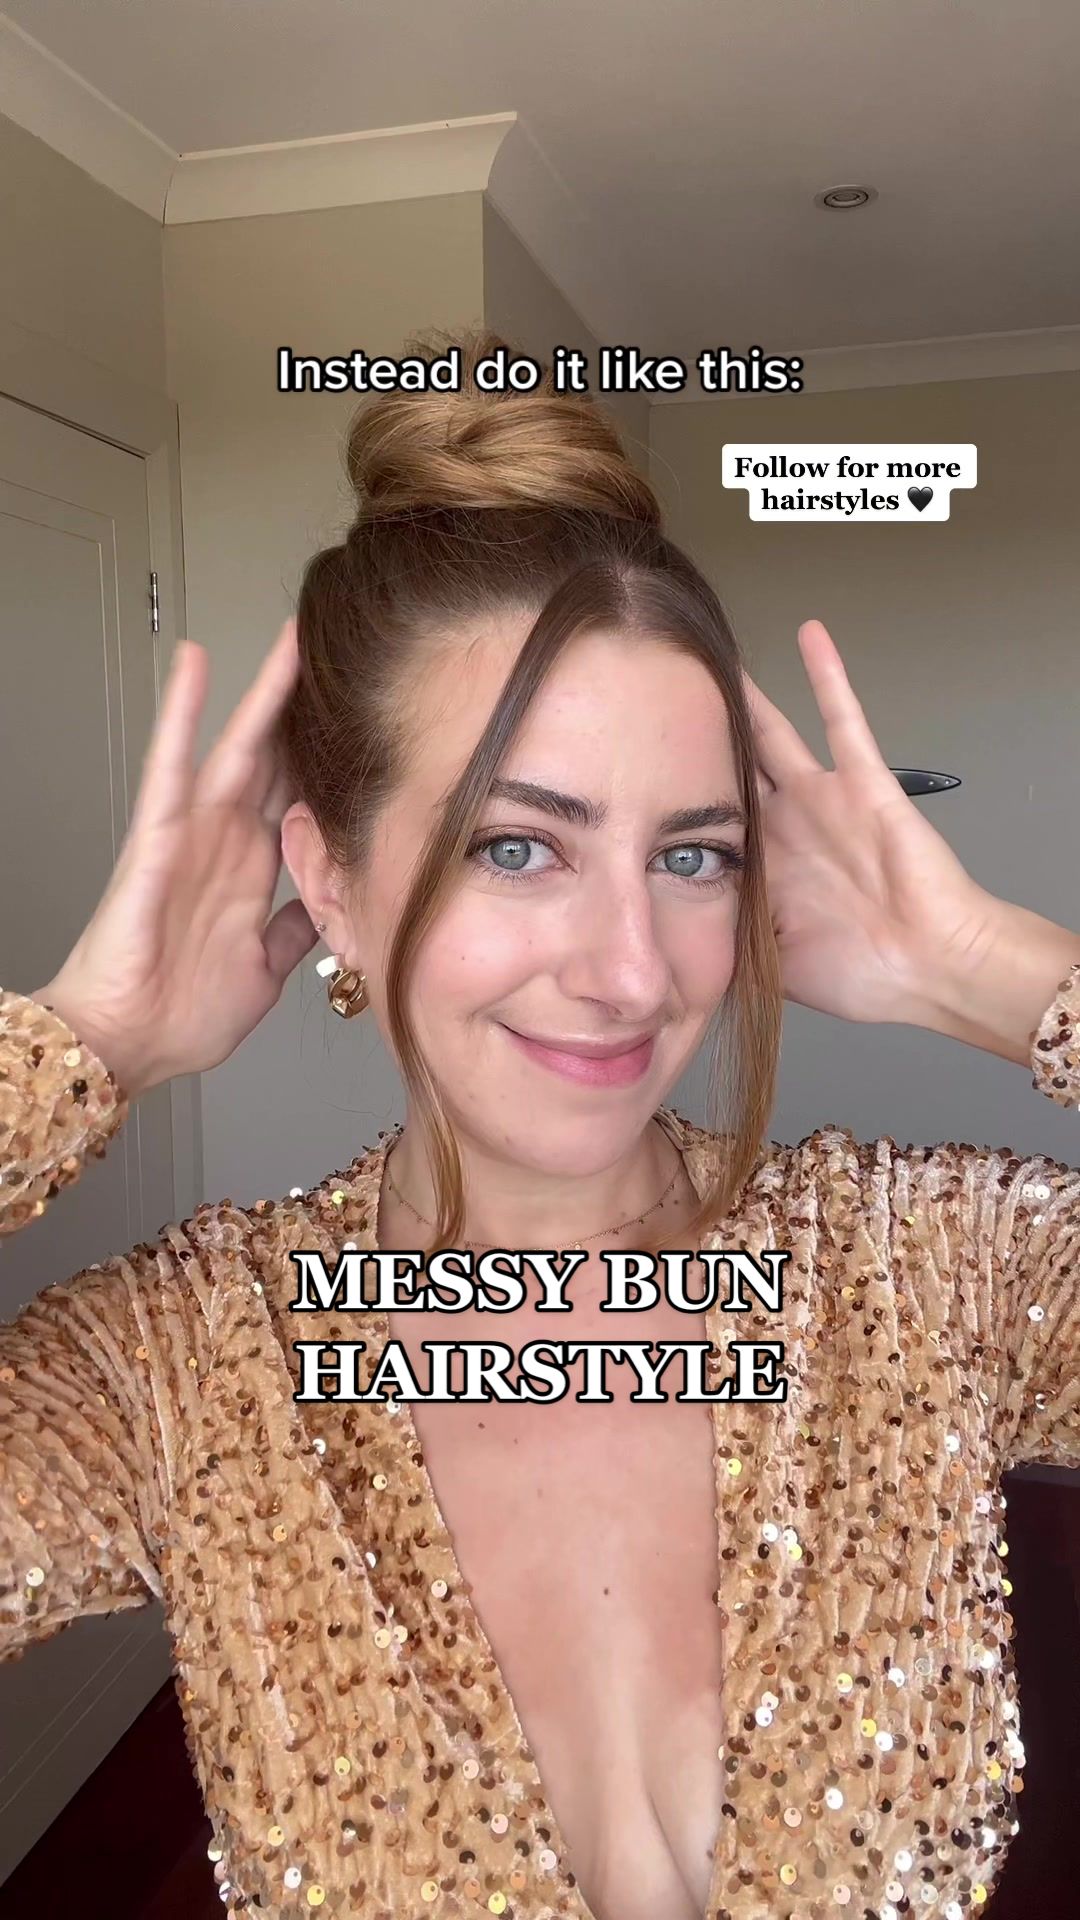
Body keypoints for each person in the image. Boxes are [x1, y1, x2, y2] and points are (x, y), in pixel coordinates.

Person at [1, 327, 1077, 1920]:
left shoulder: (932, 1271)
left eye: (693, 855)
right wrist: (78, 1047)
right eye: (517, 847)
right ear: (328, 880)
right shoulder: (180, 1371)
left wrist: (992, 971)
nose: (632, 970)